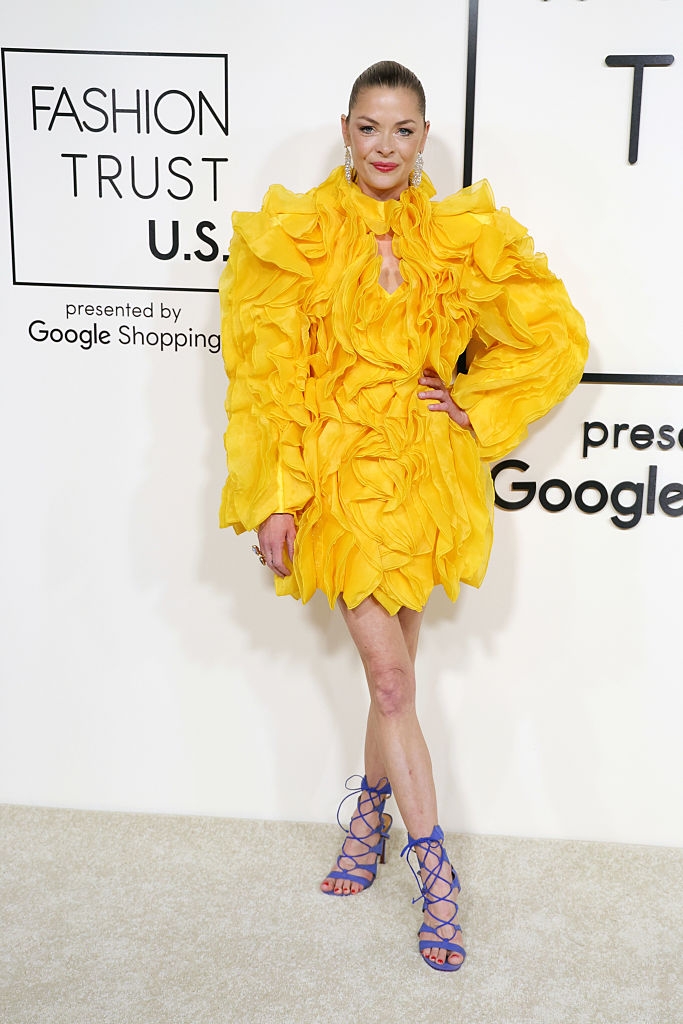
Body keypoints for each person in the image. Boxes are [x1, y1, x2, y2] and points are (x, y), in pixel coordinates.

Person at [219, 60, 588, 972]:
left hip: (425, 476)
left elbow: (554, 335)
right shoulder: (298, 234)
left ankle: (368, 823)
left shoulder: (460, 236)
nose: (385, 146)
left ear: (423, 139)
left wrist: (476, 402)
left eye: (403, 130)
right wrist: (274, 495)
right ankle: (437, 878)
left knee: (398, 683)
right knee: (390, 683)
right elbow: (264, 378)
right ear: (345, 129)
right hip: (340, 476)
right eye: (369, 127)